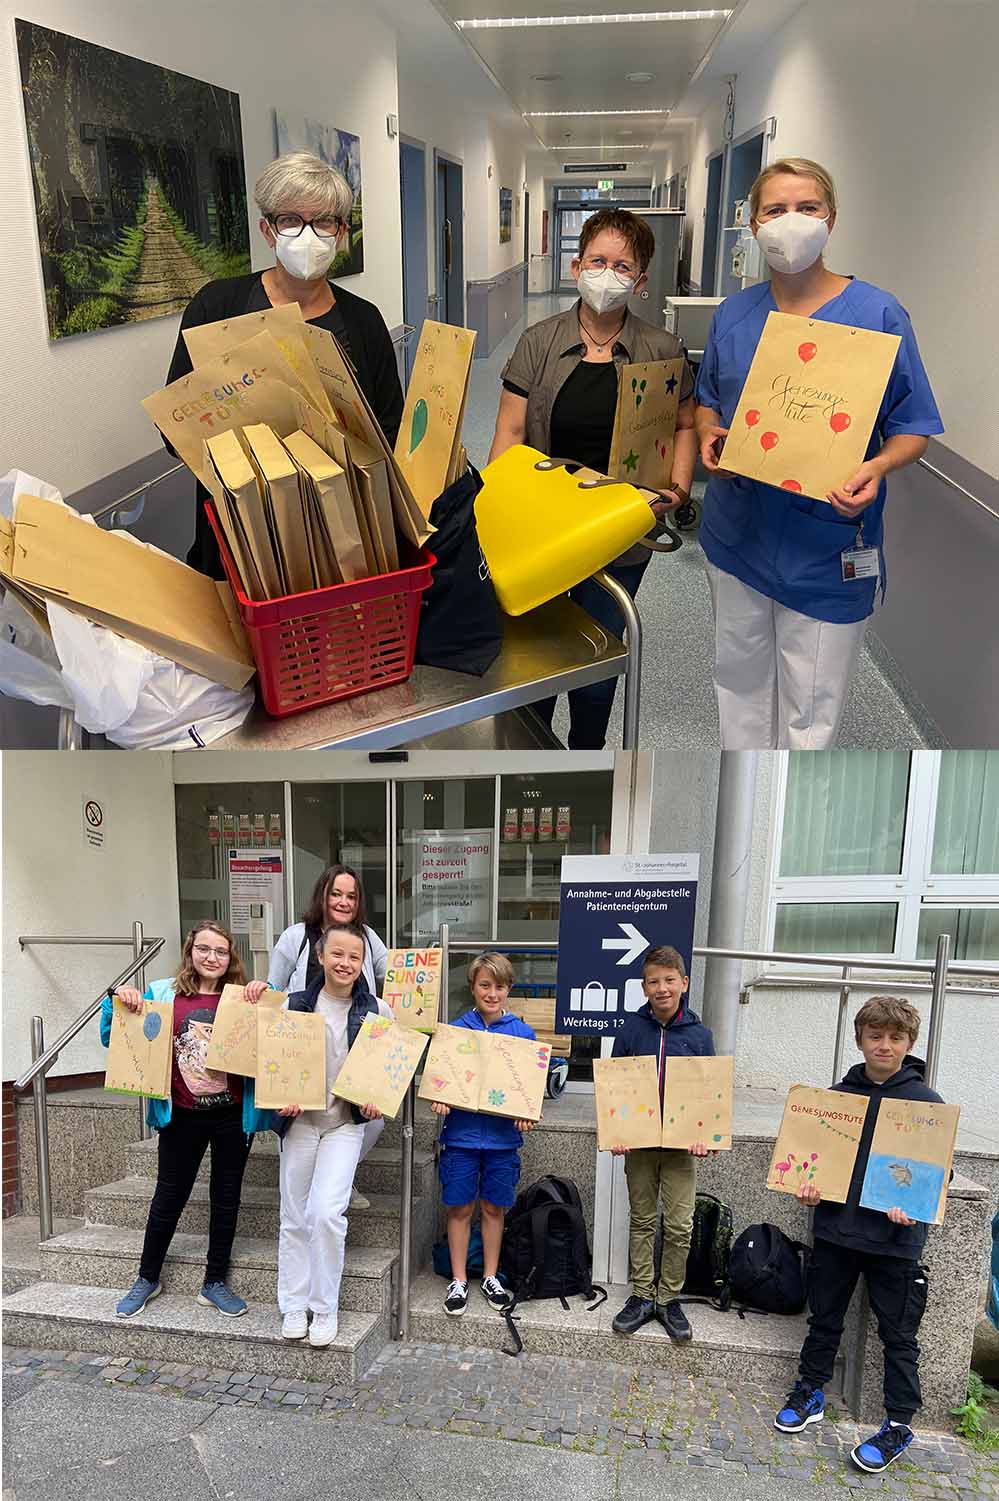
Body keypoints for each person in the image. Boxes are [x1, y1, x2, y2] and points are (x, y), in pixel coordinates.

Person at [695, 157, 944, 749]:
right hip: (737, 535)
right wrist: (709, 432)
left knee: (811, 712)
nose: (791, 222)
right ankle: (742, 817)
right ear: (752, 226)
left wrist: (878, 466)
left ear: (831, 219)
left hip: (828, 541)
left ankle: (784, 828)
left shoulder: (878, 315)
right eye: (775, 210)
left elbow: (913, 427)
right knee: (739, 688)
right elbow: (708, 401)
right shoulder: (734, 314)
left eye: (807, 208)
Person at [488, 207, 698, 750]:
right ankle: (527, 757)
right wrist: (492, 512)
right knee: (533, 662)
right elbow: (510, 432)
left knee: (597, 661)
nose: (608, 274)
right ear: (576, 264)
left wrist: (673, 489)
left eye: (623, 266)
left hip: (621, 532)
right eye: (597, 261)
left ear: (641, 280)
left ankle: (586, 760)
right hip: (546, 529)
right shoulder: (539, 342)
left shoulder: (661, 349)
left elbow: (682, 424)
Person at [165, 151, 404, 577]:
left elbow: (388, 427)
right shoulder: (217, 306)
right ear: (268, 230)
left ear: (341, 232)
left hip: (339, 528)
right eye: (290, 220)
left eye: (324, 221)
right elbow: (176, 426)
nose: (307, 234)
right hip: (241, 531)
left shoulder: (363, 322)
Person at [774, 996, 944, 1474]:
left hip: (895, 1241)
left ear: (909, 1043)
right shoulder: (833, 1100)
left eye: (894, 1037)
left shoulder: (927, 1106)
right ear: (860, 1039)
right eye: (875, 1036)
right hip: (836, 1232)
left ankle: (898, 1423)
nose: (884, 1045)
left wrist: (915, 1207)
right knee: (824, 1319)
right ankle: (810, 1394)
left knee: (898, 1335)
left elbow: (937, 1179)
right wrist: (805, 1189)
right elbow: (810, 1159)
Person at [100, 920, 271, 1318]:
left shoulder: (242, 997)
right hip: (181, 1116)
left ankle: (214, 1282)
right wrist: (118, 1002)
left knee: (226, 1198)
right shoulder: (163, 993)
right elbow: (114, 1036)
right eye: (204, 949)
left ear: (231, 958)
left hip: (231, 1116)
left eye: (221, 951)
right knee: (169, 1196)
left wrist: (265, 992)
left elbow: (281, 1028)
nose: (212, 957)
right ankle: (147, 1276)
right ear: (189, 951)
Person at [273, 921, 390, 1348]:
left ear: (363, 964)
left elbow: (389, 1067)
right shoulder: (295, 1005)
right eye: (336, 954)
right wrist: (281, 1095)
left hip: (344, 1124)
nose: (345, 963)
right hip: (300, 1122)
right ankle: (293, 1303)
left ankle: (324, 1308)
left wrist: (377, 1097)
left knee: (325, 1212)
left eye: (354, 957)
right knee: (294, 1214)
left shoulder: (377, 1010)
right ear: (320, 957)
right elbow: (274, 1064)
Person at [609, 945, 715, 1342]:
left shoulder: (700, 1036)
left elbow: (710, 1096)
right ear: (644, 987)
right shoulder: (631, 1032)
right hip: (638, 1146)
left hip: (680, 1150)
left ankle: (669, 1298)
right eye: (654, 981)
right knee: (641, 1220)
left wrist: (706, 1136)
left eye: (670, 980)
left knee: (680, 1225)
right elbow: (616, 1090)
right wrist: (617, 1132)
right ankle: (641, 1295)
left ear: (684, 983)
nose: (662, 988)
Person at [269, 862, 388, 1209]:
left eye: (351, 895)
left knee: (371, 1123)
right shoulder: (297, 935)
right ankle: (317, 1187)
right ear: (323, 894)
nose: (343, 901)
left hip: (350, 1049)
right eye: (336, 893)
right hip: (300, 1055)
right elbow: (274, 988)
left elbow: (394, 974)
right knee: (295, 1132)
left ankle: (339, 1177)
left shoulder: (366, 937)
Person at [430, 952, 538, 1317]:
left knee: (494, 1208)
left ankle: (491, 1276)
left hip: (502, 1140)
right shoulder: (457, 1031)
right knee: (459, 1207)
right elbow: (442, 1082)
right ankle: (459, 1279)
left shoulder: (523, 1034)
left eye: (500, 986)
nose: (492, 993)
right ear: (473, 987)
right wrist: (441, 1098)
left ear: (509, 989)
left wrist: (526, 1115)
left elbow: (529, 1090)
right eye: (485, 985)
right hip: (460, 1136)